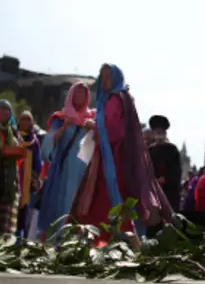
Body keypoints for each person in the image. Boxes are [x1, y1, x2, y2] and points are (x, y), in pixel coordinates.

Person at [70, 64, 172, 243]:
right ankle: (108, 240)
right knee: (103, 200)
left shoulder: (116, 99)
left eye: (109, 76)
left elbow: (116, 132)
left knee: (107, 199)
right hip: (107, 156)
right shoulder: (113, 98)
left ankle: (113, 240)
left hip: (113, 160)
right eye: (102, 77)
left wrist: (94, 126)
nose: (105, 80)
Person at [37, 82, 95, 238]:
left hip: (83, 172)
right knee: (60, 205)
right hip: (62, 171)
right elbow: (48, 143)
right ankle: (54, 240)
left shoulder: (91, 119)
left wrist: (94, 128)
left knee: (79, 206)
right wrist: (64, 127)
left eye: (82, 94)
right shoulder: (61, 118)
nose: (79, 97)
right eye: (76, 93)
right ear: (70, 95)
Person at [0, 99, 21, 236]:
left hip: (7, 178)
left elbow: (20, 152)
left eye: (8, 110)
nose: (5, 112)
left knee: (4, 222)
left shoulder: (13, 131)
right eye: (1, 109)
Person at [147, 115, 182, 212]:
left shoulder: (172, 149)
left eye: (161, 132)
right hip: (153, 190)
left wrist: (166, 178)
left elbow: (176, 170)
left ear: (165, 133)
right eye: (156, 132)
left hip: (169, 191)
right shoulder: (149, 150)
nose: (158, 134)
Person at [16, 111, 42, 238]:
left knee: (24, 211)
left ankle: (19, 239)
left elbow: (38, 163)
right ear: (18, 121)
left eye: (28, 119)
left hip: (27, 181)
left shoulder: (34, 141)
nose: (25, 122)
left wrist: (35, 177)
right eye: (23, 119)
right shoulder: (14, 137)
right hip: (14, 178)